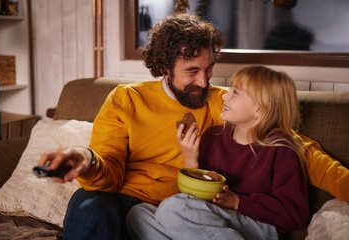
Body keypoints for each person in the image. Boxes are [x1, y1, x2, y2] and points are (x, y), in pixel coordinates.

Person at [37, 13, 349, 240]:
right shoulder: (126, 99)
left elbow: (297, 147)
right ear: (164, 67)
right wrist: (86, 158)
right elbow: (110, 165)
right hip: (126, 200)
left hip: (187, 207)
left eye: (209, 69)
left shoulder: (224, 104)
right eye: (191, 71)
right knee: (88, 205)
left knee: (171, 211)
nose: (204, 81)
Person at [126, 66, 309, 240]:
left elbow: (294, 215)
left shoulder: (280, 149)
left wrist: (237, 202)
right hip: (211, 220)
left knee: (172, 207)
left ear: (259, 109)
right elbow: (193, 200)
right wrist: (190, 158)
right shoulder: (213, 136)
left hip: (259, 226)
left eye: (235, 92)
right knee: (138, 214)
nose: (225, 97)